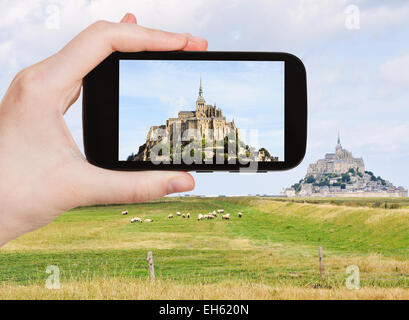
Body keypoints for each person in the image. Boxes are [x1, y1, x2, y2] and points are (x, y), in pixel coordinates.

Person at [0, 13, 208, 247]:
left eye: (201, 105)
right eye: (199, 104)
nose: (200, 107)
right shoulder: (182, 118)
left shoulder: (207, 115)